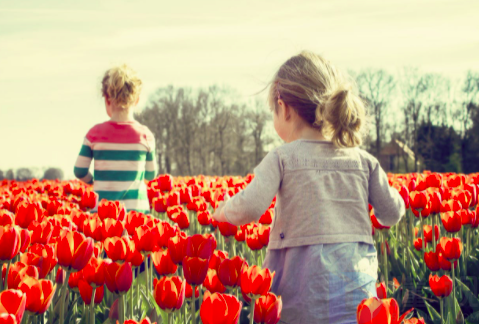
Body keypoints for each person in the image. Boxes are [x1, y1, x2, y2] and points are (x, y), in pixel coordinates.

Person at [212, 51, 405, 323]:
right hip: (356, 295)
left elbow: (250, 207)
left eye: (273, 112)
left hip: (300, 299)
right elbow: (392, 213)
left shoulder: (282, 158)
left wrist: (221, 211)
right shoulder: (364, 161)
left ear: (285, 108)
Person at [74, 64, 157, 213]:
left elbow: (79, 170)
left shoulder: (94, 134)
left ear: (107, 99)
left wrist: (94, 181)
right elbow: (151, 174)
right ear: (137, 100)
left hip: (103, 214)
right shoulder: (145, 136)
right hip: (136, 212)